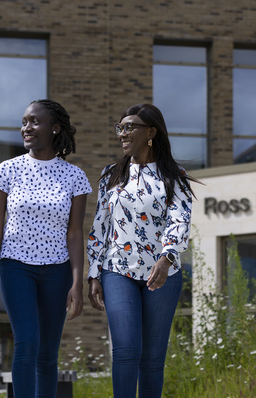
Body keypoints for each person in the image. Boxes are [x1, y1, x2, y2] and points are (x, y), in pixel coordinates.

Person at [0, 99, 92, 398]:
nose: (26, 128)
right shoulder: (7, 170)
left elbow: (74, 233)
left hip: (57, 271)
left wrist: (76, 282)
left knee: (47, 353)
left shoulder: (74, 176)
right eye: (24, 122)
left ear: (55, 128)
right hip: (16, 266)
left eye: (35, 121)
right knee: (27, 342)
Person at [86, 103, 197, 398]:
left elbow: (180, 221)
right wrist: (94, 274)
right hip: (117, 271)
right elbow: (100, 226)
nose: (123, 134)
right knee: (125, 349)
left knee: (152, 358)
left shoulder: (175, 176)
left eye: (129, 127)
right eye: (120, 128)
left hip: (162, 274)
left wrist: (166, 257)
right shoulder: (111, 174)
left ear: (150, 132)